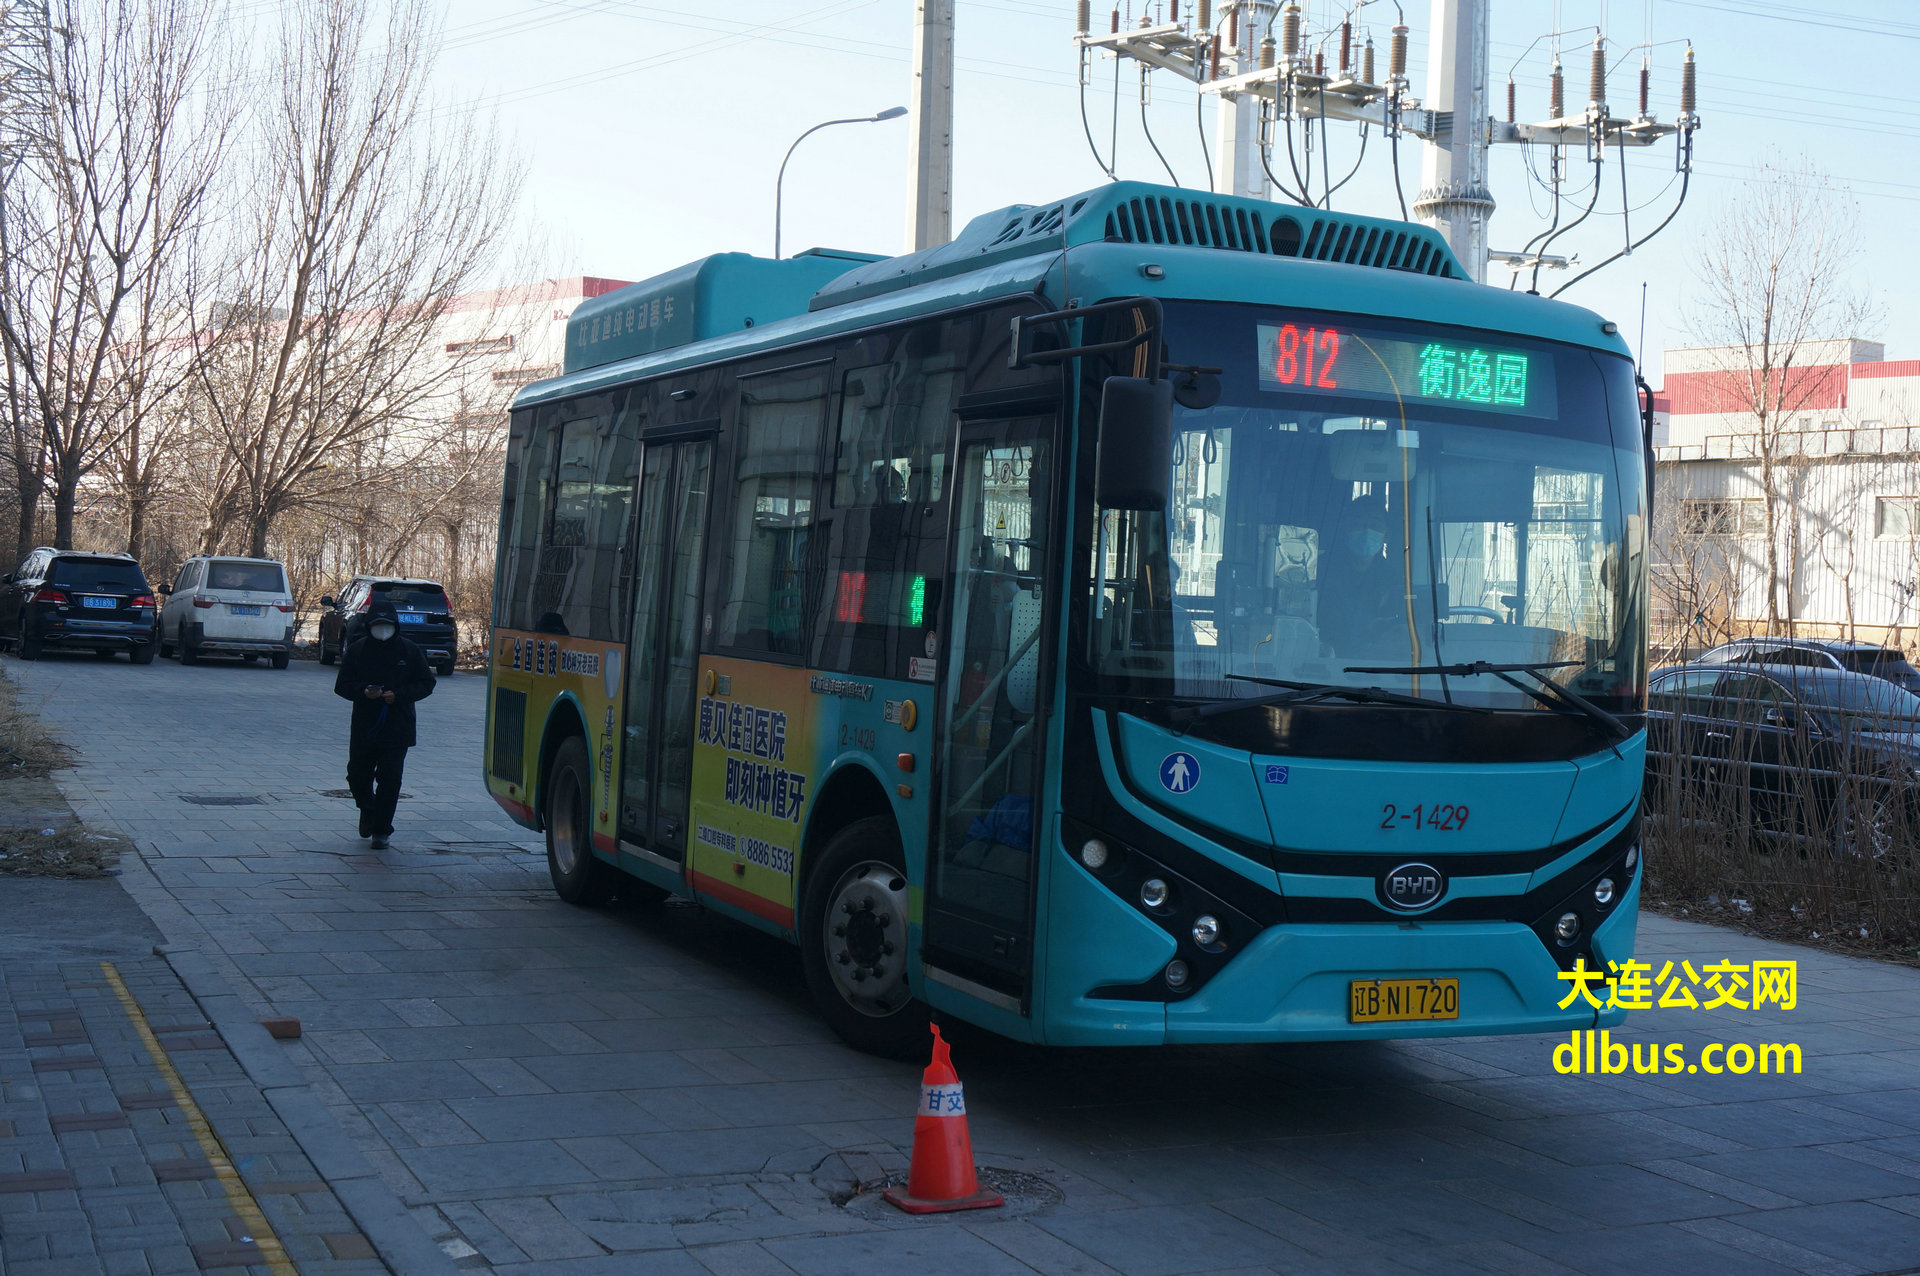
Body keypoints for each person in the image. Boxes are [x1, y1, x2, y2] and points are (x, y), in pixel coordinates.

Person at [333, 598, 435, 849]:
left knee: (390, 779)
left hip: (398, 725)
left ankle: (381, 830)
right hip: (365, 725)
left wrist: (398, 695)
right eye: (377, 625)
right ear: (369, 626)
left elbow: (426, 683)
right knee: (357, 775)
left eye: (386, 626)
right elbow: (342, 685)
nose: (382, 630)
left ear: (395, 626)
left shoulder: (409, 650)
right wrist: (364, 691)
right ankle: (368, 809)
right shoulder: (357, 650)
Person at [1316, 493, 1404, 657]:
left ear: (1386, 534)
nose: (1366, 531)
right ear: (1345, 528)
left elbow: (1397, 632)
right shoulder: (1319, 571)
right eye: (1358, 523)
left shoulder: (1394, 580)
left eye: (1375, 525)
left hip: (1374, 664)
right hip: (1323, 662)